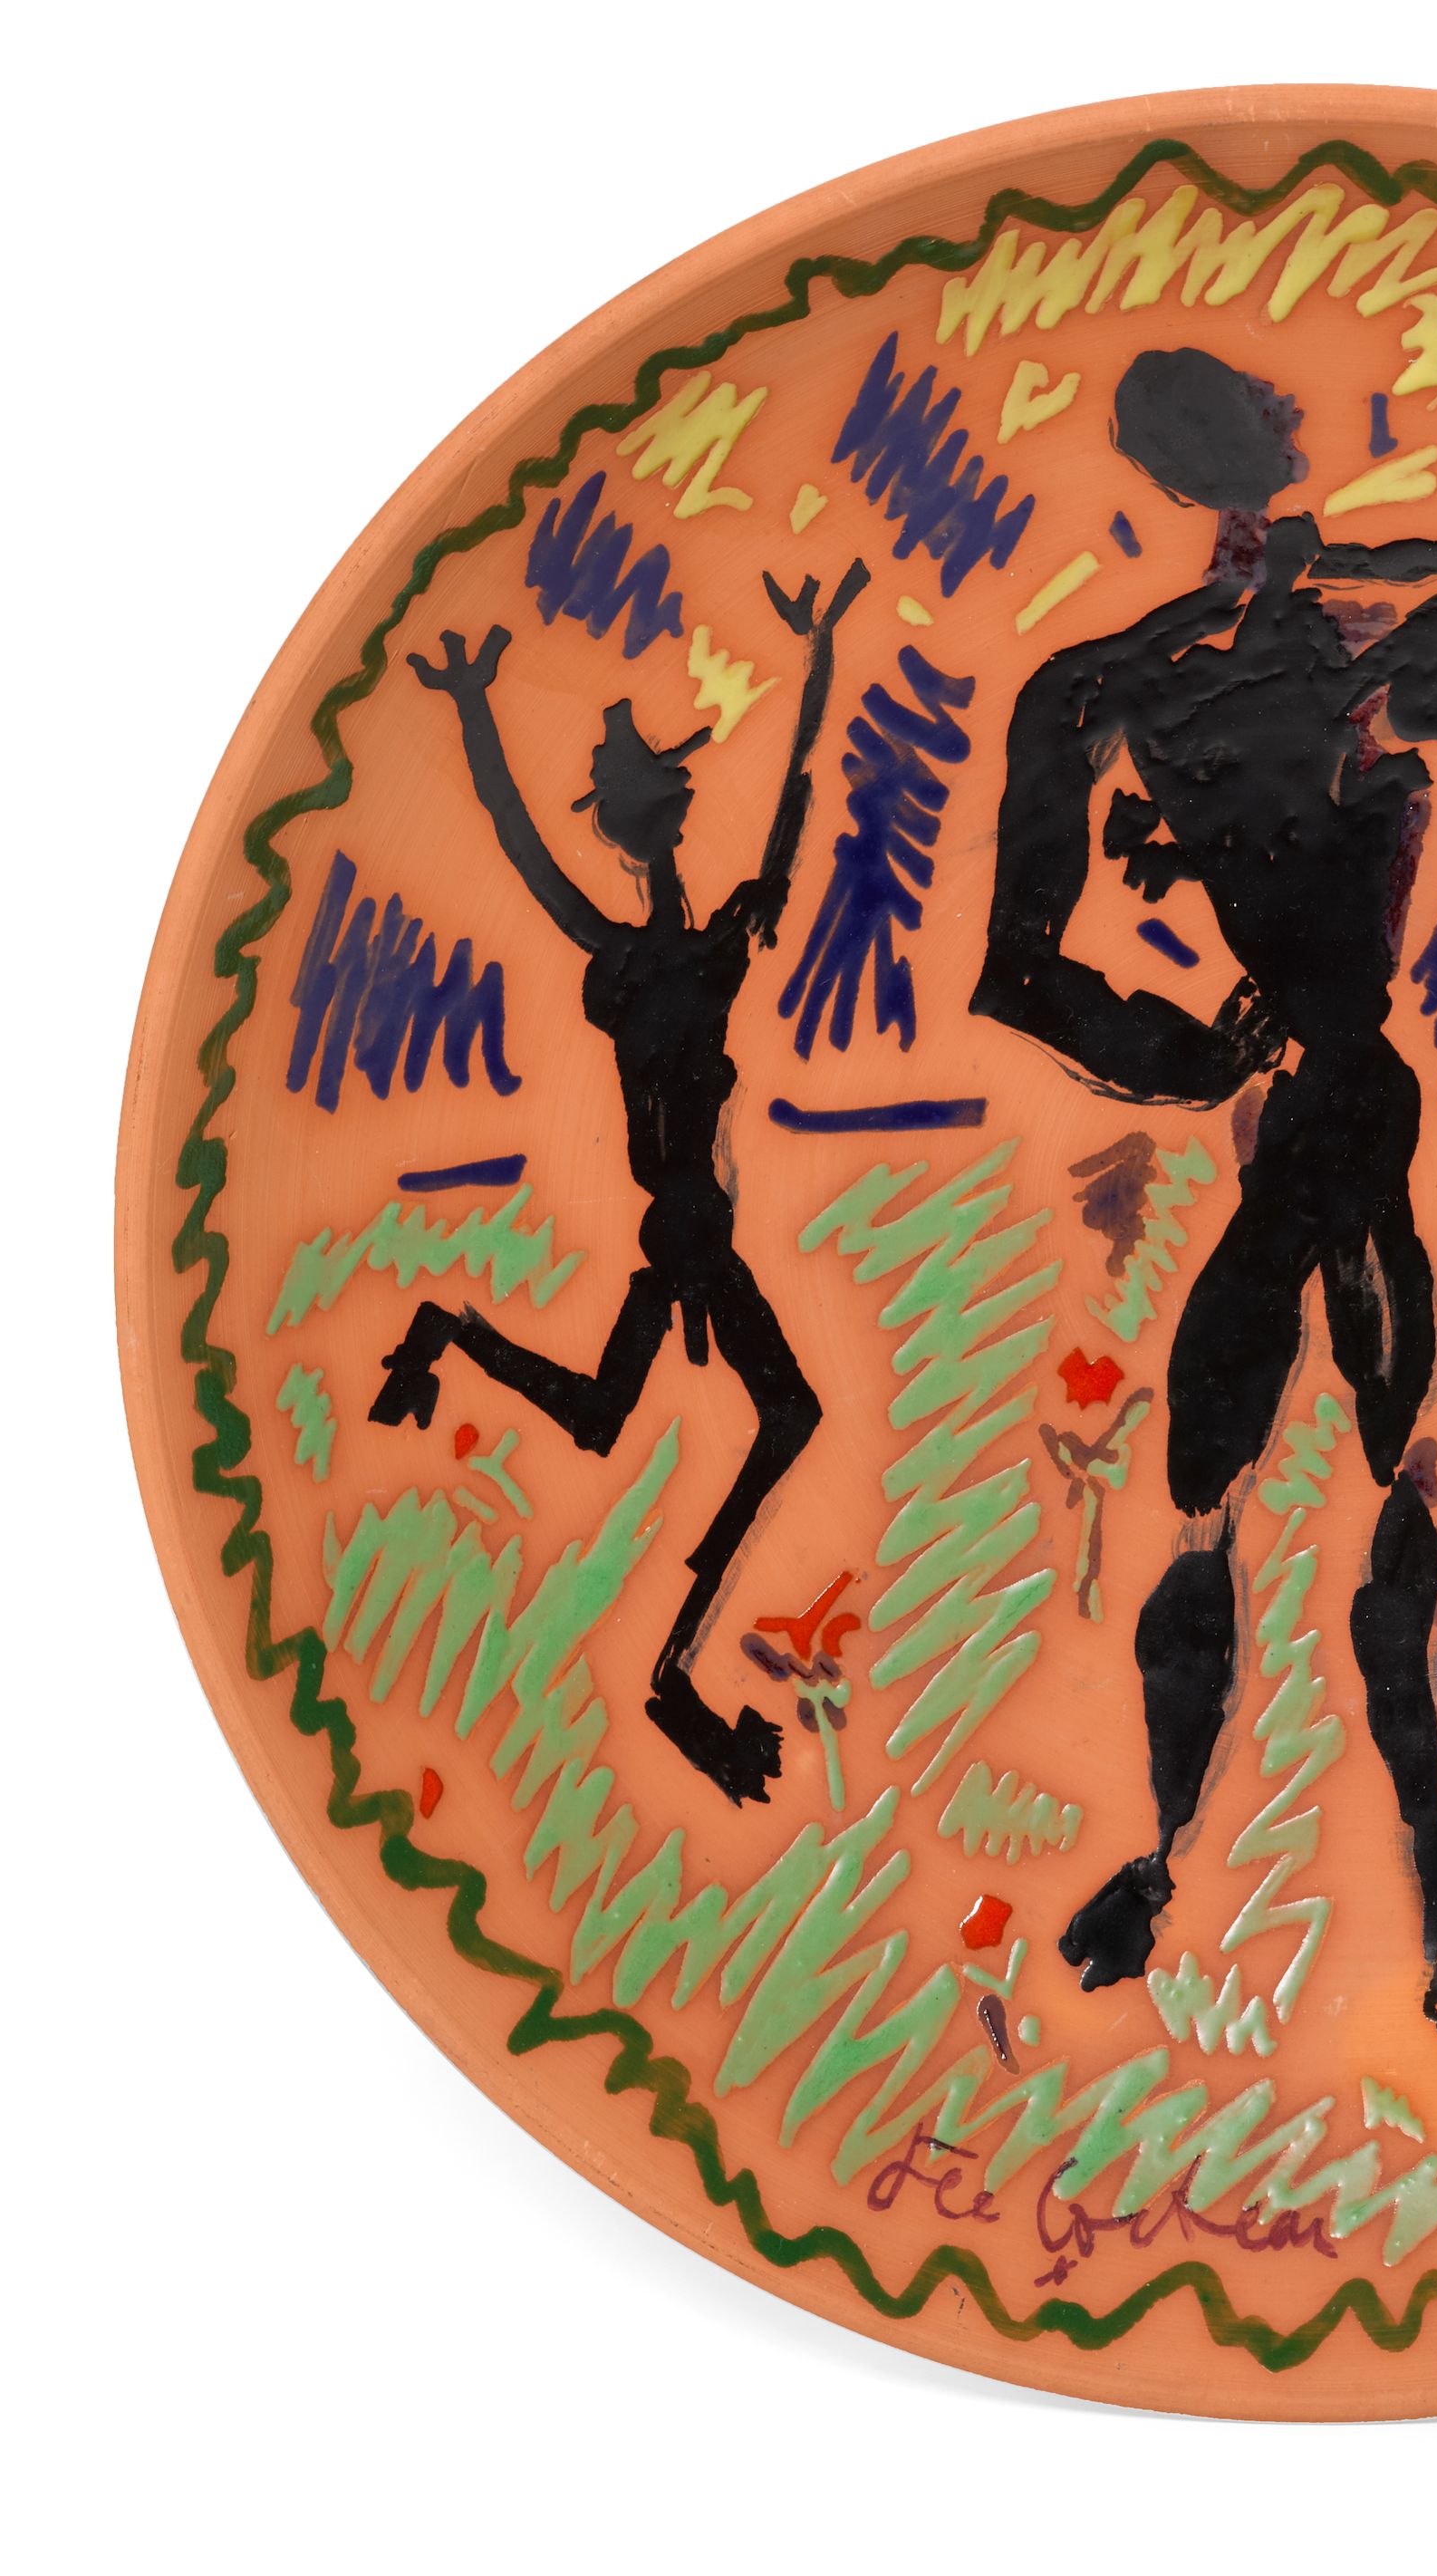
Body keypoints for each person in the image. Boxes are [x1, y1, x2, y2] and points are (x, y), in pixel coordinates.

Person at [974, 348, 1437, 2062]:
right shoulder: (1223, 660)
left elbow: (1019, 971)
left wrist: (1195, 1050)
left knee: (1272, 1481)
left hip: (1317, 1098)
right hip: (1319, 1097)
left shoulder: (1156, 671)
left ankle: (1337, 1910)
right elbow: (1021, 973)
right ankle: (1406, 1932)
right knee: (1317, 1473)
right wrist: (1195, 1054)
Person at [370, 563, 866, 1804]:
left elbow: (789, 806)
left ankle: (449, 1333)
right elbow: (523, 847)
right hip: (687, 1229)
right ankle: (671, 1669)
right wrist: (473, 710)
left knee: (623, 1418)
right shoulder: (647, 956)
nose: (666, 829)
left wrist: (818, 659)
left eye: (664, 807)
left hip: (689, 1227)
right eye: (655, 810)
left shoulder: (699, 942)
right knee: (780, 1416)